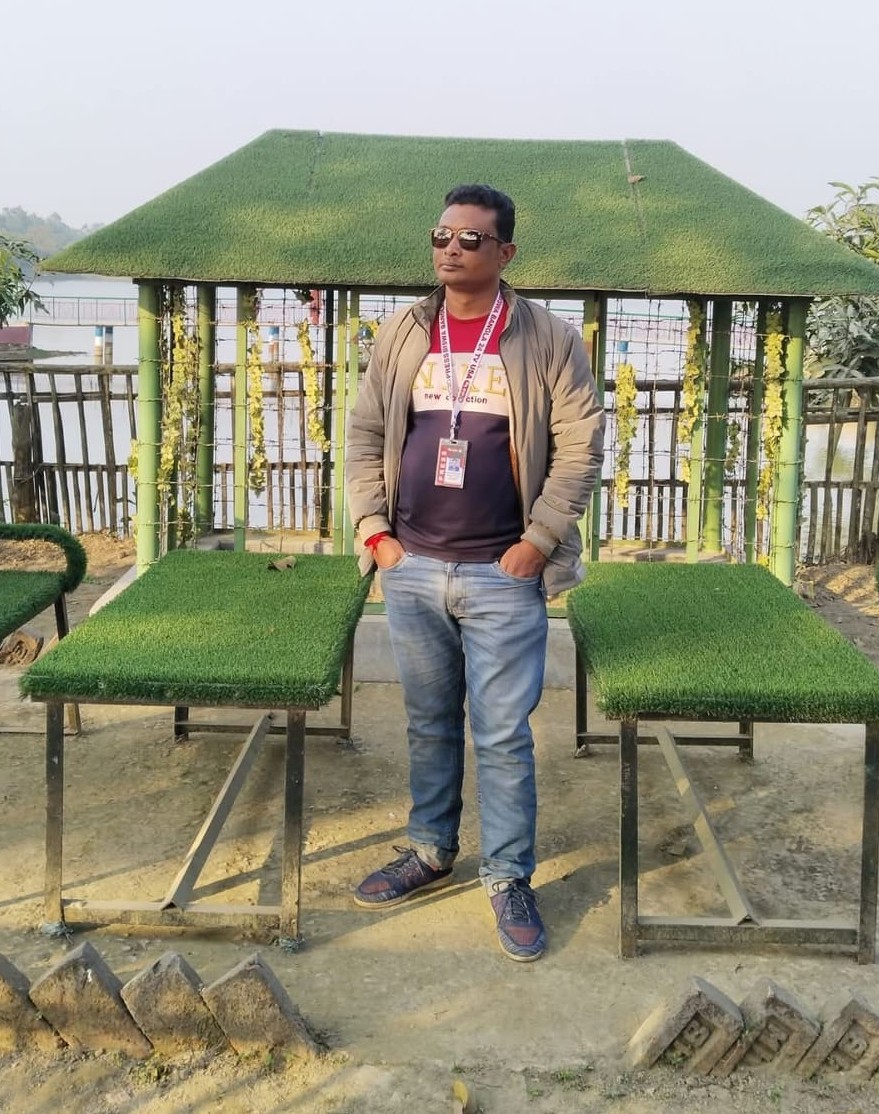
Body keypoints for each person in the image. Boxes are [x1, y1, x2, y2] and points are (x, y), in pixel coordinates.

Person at [345, 184, 605, 962]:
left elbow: (580, 447)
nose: (449, 249)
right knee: (427, 722)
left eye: (468, 239)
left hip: (503, 571)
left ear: (504, 252)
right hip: (413, 565)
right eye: (440, 236)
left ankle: (508, 876)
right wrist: (375, 533)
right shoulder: (404, 331)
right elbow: (364, 432)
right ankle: (430, 850)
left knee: (499, 733)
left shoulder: (547, 337)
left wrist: (537, 541)